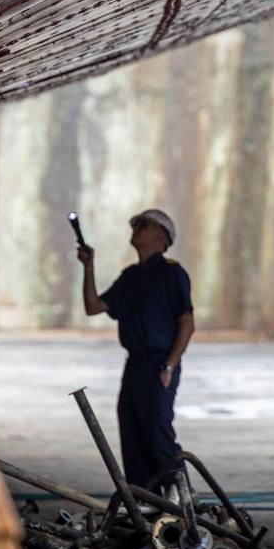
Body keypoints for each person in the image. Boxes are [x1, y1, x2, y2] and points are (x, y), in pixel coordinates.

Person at [77, 208, 194, 491]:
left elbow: (187, 323)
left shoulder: (172, 273)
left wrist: (170, 365)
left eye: (144, 225)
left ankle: (182, 499)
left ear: (161, 236)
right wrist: (89, 266)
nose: (137, 229)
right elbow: (94, 307)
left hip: (158, 364)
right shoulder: (129, 277)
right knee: (132, 434)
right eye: (136, 224)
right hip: (135, 365)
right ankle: (146, 500)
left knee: (158, 434)